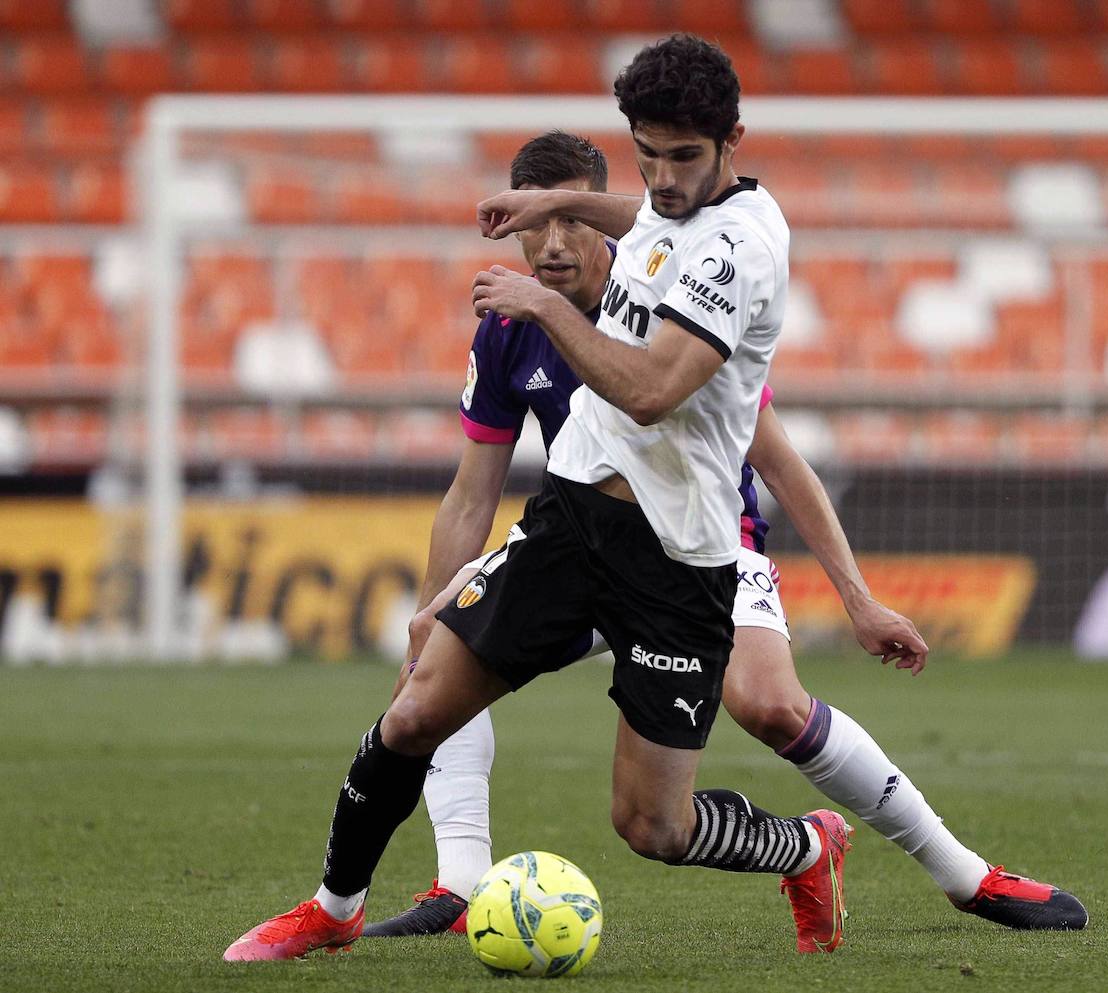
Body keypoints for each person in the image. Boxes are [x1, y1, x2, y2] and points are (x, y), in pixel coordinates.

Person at [363, 131, 1088, 946]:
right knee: (438, 652)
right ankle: (460, 882)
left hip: (699, 547)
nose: (554, 241)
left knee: (772, 705)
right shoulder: (505, 328)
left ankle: (964, 874)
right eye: (538, 222)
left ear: (609, 222)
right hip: (579, 540)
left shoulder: (670, 293)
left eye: (571, 216)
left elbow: (777, 460)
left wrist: (858, 598)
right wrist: (434, 605)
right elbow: (471, 494)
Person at [226, 34, 860, 963]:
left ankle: (804, 845)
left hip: (677, 562)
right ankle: (334, 905)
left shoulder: (742, 252)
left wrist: (544, 304)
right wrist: (558, 199)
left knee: (654, 825)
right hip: (568, 526)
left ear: (734, 141)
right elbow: (645, 215)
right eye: (646, 153)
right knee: (413, 714)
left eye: (684, 157)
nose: (662, 177)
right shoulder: (670, 204)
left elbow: (650, 388)